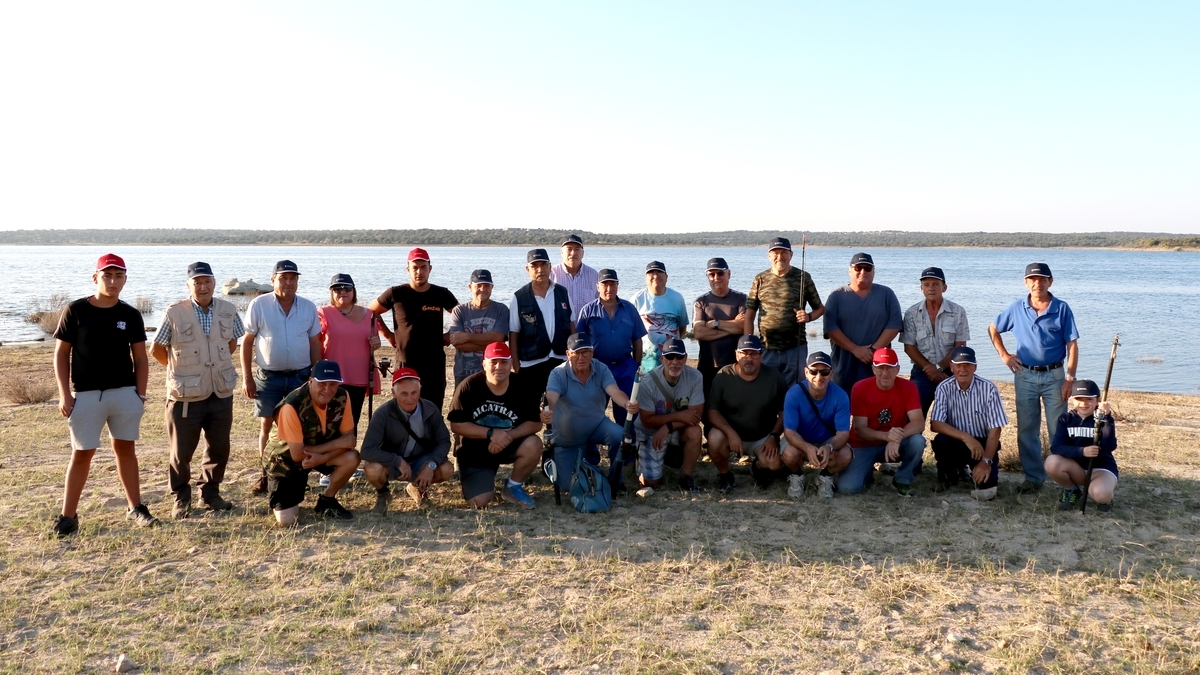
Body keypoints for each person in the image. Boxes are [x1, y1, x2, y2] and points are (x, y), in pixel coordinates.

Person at [51, 253, 155, 536]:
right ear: (95, 277)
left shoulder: (130, 314)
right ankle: (68, 516)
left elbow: (141, 359)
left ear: (125, 278)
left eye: (118, 276)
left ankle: (136, 507)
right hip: (85, 395)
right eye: (107, 275)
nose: (112, 281)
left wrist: (140, 396)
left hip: (124, 394)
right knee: (82, 454)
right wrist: (64, 395)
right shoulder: (75, 310)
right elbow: (61, 354)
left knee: (125, 450)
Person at [151, 261, 244, 519]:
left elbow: (232, 342)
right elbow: (158, 348)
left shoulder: (227, 309)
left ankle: (210, 493)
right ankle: (181, 497)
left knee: (219, 447)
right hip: (185, 395)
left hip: (220, 391)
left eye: (207, 282)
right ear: (188, 285)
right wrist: (181, 370)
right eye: (197, 282)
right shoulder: (175, 312)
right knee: (181, 451)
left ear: (214, 284)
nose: (203, 287)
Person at [987, 262, 1080, 494]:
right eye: (1032, 279)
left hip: (1055, 377)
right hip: (1025, 375)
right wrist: (1005, 356)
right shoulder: (1017, 307)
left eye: (1042, 279)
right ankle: (1033, 478)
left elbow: (1072, 344)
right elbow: (993, 328)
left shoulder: (1061, 308)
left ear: (1050, 282)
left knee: (1059, 429)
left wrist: (1070, 378)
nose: (1037, 283)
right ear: (1025, 282)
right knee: (1027, 430)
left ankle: (1065, 479)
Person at [243, 260, 323, 493]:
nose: (288, 282)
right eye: (283, 278)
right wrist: (247, 378)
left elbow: (315, 342)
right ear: (273, 280)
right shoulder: (259, 304)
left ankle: (297, 473)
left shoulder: (308, 307)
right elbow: (247, 343)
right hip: (269, 377)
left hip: (300, 377)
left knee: (300, 428)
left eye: (292, 278)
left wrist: (315, 376)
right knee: (266, 426)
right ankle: (266, 474)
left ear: (297, 281)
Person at [448, 342, 544, 509]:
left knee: (534, 444)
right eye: (493, 362)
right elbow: (456, 425)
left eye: (504, 362)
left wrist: (508, 436)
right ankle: (474, 482)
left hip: (508, 443)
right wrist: (491, 433)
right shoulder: (469, 386)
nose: (499, 366)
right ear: (484, 364)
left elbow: (535, 423)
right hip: (475, 449)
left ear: (511, 363)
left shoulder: (523, 386)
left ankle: (513, 486)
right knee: (479, 501)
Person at [263, 360, 359, 526]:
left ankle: (327, 500)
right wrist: (335, 445)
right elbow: (297, 454)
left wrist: (323, 457)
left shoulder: (343, 396)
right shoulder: (291, 405)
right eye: (322, 384)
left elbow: (349, 441)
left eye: (333, 384)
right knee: (287, 521)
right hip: (285, 461)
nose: (328, 390)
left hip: (316, 455)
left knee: (352, 457)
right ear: (311, 381)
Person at [541, 334, 639, 493]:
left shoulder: (601, 368)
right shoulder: (557, 373)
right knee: (567, 487)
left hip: (597, 426)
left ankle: (615, 481)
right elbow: (551, 398)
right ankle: (552, 458)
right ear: (568, 354)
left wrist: (626, 403)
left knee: (620, 435)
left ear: (592, 352)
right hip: (567, 438)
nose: (581, 357)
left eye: (586, 352)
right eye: (576, 353)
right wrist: (547, 411)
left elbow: (615, 392)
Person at [369, 248, 459, 408]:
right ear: (408, 269)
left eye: (423, 267)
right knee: (404, 409)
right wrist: (388, 335)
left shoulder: (441, 294)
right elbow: (371, 311)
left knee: (432, 410)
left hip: (434, 363)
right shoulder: (395, 293)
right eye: (415, 267)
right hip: (406, 361)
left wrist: (450, 334)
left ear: (430, 268)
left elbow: (462, 316)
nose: (419, 271)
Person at [361, 368, 453, 513]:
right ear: (393, 393)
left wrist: (431, 465)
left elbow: (444, 441)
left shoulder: (430, 409)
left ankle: (418, 488)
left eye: (414, 393)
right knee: (373, 470)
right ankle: (383, 493)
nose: (410, 399)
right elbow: (366, 450)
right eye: (404, 394)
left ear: (420, 390)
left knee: (447, 469)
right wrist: (397, 461)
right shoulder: (383, 413)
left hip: (421, 461)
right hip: (392, 463)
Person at [706, 335, 788, 494]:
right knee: (714, 439)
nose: (749, 358)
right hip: (732, 435)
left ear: (761, 355)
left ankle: (756, 467)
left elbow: (784, 412)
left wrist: (774, 436)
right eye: (744, 353)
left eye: (754, 354)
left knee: (774, 464)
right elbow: (712, 412)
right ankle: (725, 475)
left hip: (763, 437)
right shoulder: (724, 375)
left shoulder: (774, 377)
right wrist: (731, 433)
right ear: (737, 354)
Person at [840, 348, 926, 496]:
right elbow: (860, 429)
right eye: (880, 368)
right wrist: (887, 436)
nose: (885, 373)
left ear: (898, 369)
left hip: (895, 443)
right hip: (863, 444)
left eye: (890, 368)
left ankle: (902, 479)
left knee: (918, 441)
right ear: (873, 369)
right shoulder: (860, 388)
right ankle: (866, 472)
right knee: (847, 488)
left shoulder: (909, 387)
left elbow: (919, 423)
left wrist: (897, 437)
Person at [928, 346, 1008, 501]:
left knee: (987, 489)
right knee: (941, 441)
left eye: (967, 365)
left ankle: (978, 469)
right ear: (951, 367)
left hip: (983, 444)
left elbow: (996, 429)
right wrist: (966, 437)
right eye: (958, 365)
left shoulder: (989, 389)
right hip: (956, 442)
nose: (962, 370)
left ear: (975, 367)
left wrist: (986, 461)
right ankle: (948, 474)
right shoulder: (944, 388)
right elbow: (935, 424)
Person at [745, 237, 824, 387]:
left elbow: (820, 309)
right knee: (766, 390)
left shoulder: (803, 278)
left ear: (791, 255)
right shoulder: (760, 279)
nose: (779, 257)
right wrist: (749, 345)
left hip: (795, 348)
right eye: (775, 253)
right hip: (766, 349)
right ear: (769, 256)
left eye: (784, 253)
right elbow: (749, 316)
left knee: (794, 392)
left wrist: (808, 317)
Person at [574, 268, 646, 428]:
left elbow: (638, 339)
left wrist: (636, 365)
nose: (609, 289)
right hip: (598, 367)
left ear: (617, 286)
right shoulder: (587, 311)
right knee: (594, 412)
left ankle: (626, 447)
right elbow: (580, 342)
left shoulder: (629, 309)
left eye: (613, 284)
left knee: (628, 412)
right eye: (605, 284)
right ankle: (591, 452)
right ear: (597, 286)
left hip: (626, 367)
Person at [823, 252, 903, 392]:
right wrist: (855, 349)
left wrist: (873, 350)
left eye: (867, 268)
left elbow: (894, 324)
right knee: (843, 405)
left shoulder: (886, 294)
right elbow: (830, 328)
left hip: (878, 364)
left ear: (874, 272)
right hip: (843, 365)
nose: (862, 272)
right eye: (858, 268)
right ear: (849, 270)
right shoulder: (836, 296)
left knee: (876, 405)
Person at [633, 338, 705, 493]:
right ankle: (639, 455)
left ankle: (686, 477)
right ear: (661, 358)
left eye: (679, 357)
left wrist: (668, 426)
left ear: (686, 358)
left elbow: (696, 415)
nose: (675, 362)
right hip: (651, 431)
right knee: (649, 482)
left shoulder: (696, 377)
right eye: (670, 357)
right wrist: (677, 418)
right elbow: (647, 420)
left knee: (695, 431)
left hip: (674, 429)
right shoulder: (647, 382)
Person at [780, 352, 852, 500]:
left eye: (824, 372)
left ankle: (825, 476)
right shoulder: (793, 394)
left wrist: (829, 447)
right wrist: (806, 447)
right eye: (814, 371)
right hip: (800, 440)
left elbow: (843, 434)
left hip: (826, 440)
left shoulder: (841, 396)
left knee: (845, 455)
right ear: (806, 372)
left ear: (831, 374)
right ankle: (796, 475)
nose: (819, 377)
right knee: (789, 454)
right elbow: (789, 431)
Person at [899, 267, 969, 416]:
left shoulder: (958, 311)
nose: (931, 288)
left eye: (936, 284)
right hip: (922, 371)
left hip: (951, 371)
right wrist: (930, 369)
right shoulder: (911, 313)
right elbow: (909, 347)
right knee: (913, 417)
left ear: (944, 287)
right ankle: (915, 439)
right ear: (921, 289)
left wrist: (939, 368)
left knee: (955, 417)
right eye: (926, 284)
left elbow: (960, 345)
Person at [317, 273, 381, 428]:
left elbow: (375, 341)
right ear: (331, 293)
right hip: (331, 378)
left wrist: (376, 343)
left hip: (358, 376)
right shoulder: (323, 313)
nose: (342, 291)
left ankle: (348, 451)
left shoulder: (370, 315)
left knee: (351, 422)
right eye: (337, 289)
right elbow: (315, 343)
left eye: (346, 288)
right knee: (329, 422)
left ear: (354, 291)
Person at [509, 248, 573, 397]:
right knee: (531, 411)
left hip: (560, 361)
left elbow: (571, 325)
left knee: (560, 410)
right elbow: (514, 334)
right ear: (527, 269)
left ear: (550, 267)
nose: (540, 270)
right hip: (530, 364)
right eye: (535, 266)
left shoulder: (563, 293)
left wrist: (573, 357)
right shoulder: (519, 297)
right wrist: (516, 364)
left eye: (544, 265)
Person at [1046, 380, 1117, 512]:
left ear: (1098, 401)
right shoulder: (1065, 419)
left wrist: (1107, 418)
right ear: (1072, 400)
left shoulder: (1104, 420)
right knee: (1051, 462)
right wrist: (1082, 451)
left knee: (1101, 494)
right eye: (1079, 399)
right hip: (1076, 469)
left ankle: (1104, 494)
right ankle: (1071, 489)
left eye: (1089, 399)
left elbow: (1109, 446)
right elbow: (1056, 448)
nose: (1084, 403)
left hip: (1100, 468)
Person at [691, 257, 747, 398]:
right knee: (708, 407)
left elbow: (743, 327)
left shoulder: (741, 299)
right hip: (708, 365)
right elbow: (698, 332)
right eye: (712, 274)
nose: (716, 278)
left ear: (729, 274)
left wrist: (715, 324)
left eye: (720, 273)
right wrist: (731, 325)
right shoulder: (701, 302)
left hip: (735, 365)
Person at [448, 269, 510, 391]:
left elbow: (499, 339)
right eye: (478, 285)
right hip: (463, 372)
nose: (483, 289)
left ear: (492, 287)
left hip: (493, 373)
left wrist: (466, 337)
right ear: (470, 287)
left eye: (486, 285)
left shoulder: (501, 310)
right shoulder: (459, 311)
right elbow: (457, 343)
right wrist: (489, 343)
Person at [631, 261, 689, 375]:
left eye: (659, 273)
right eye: (651, 273)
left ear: (666, 277)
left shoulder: (677, 298)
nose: (655, 276)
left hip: (672, 360)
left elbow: (682, 328)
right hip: (645, 361)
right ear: (645, 278)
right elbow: (630, 332)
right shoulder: (636, 299)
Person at [550, 234, 598, 324]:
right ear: (561, 252)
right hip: (560, 334)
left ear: (582, 253)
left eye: (577, 249)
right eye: (569, 249)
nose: (573, 253)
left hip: (587, 333)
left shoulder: (594, 275)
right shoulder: (551, 275)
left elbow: (602, 305)